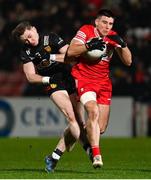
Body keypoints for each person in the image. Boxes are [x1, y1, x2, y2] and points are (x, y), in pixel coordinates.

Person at [11, 21, 92, 172]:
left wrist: (53, 57)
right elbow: (30, 76)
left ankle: (53, 157)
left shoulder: (51, 38)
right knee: (71, 118)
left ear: (34, 29)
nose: (29, 41)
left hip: (68, 77)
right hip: (52, 84)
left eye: (29, 36)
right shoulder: (26, 52)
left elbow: (71, 56)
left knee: (79, 123)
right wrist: (47, 79)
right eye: (25, 40)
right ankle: (90, 150)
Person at [63, 9, 132, 168]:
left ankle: (73, 132)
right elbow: (71, 51)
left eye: (110, 24)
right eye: (104, 22)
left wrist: (123, 44)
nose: (107, 26)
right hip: (84, 79)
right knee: (93, 111)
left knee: (99, 128)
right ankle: (96, 155)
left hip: (104, 83)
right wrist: (88, 45)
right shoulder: (86, 30)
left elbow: (128, 62)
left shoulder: (112, 36)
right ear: (96, 22)